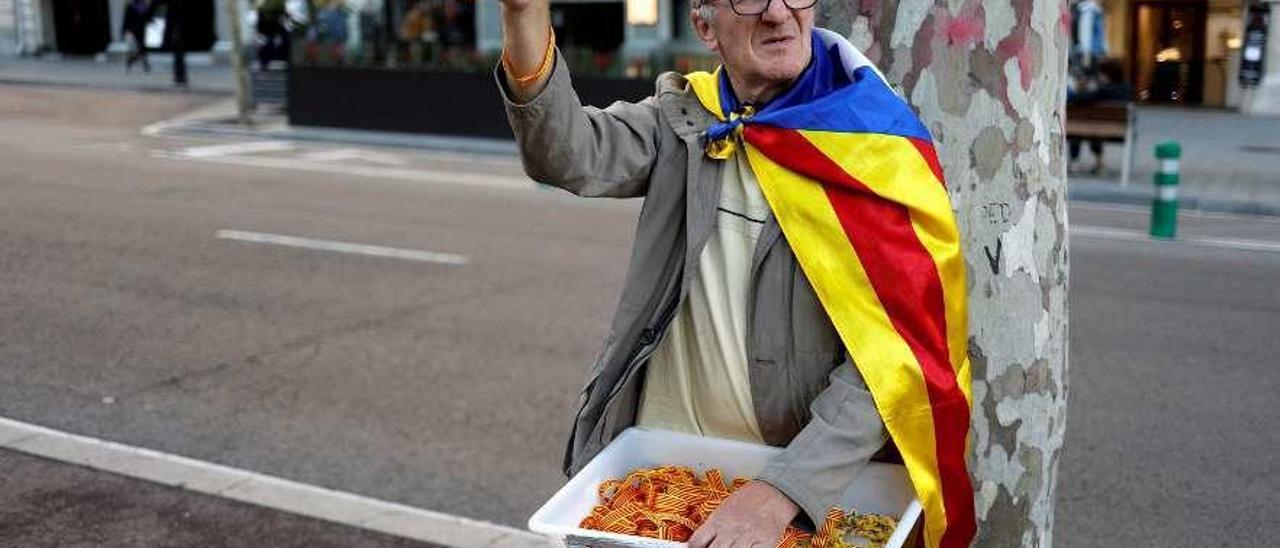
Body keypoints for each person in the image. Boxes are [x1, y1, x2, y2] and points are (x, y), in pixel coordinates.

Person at [496, 0, 975, 546]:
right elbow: (568, 154)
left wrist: (784, 491)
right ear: (705, 26)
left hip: (792, 501)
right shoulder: (686, 118)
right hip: (661, 486)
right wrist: (523, 13)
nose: (777, 14)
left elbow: (900, 358)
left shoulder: (872, 143)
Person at [1068, 59, 1132, 174]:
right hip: (1121, 130)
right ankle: (1099, 163)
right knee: (1094, 129)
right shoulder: (1127, 89)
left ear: (1107, 74)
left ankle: (1074, 163)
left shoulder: (1104, 91)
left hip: (1097, 129)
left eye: (1101, 73)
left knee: (1079, 128)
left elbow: (1077, 99)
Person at [122, 0, 151, 73]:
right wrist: (125, 30)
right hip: (133, 31)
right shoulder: (131, 6)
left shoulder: (142, 6)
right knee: (138, 49)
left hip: (140, 31)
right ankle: (137, 62)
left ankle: (140, 63)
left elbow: (146, 17)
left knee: (141, 49)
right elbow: (127, 19)